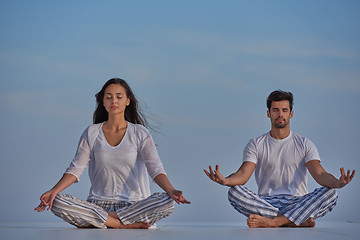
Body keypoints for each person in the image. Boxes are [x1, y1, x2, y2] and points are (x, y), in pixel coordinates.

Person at [35, 78, 190, 229]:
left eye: (119, 97)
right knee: (57, 201)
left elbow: (155, 169)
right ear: (103, 102)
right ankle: (119, 224)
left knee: (167, 202)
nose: (113, 101)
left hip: (134, 206)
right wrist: (53, 191)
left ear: (127, 101)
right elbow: (75, 170)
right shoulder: (92, 132)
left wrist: (171, 191)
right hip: (98, 204)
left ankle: (101, 220)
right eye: (108, 97)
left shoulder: (139, 133)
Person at [204, 90, 355, 228]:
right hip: (267, 203)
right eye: (275, 110)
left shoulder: (304, 144)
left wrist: (337, 183)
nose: (280, 114)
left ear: (291, 114)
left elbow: (320, 174)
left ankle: (275, 222)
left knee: (331, 194)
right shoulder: (256, 144)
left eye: (284, 110)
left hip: (299, 202)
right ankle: (294, 221)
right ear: (268, 113)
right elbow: (243, 175)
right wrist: (225, 181)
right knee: (233, 192)